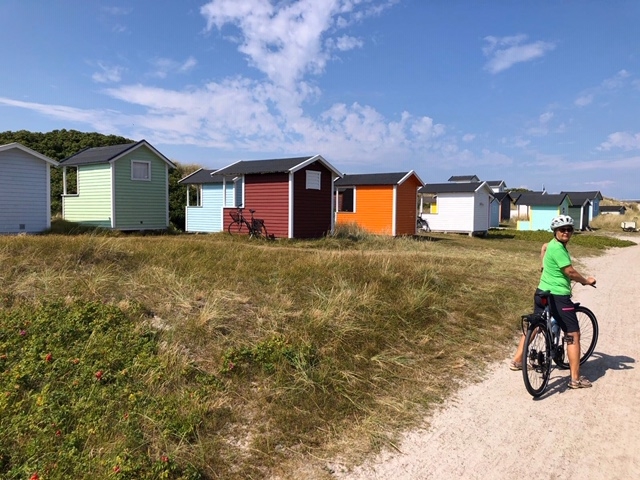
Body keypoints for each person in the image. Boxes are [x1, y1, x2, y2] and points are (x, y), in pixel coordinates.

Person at [510, 215, 596, 389]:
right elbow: (570, 272)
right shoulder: (558, 249)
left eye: (569, 229)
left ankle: (517, 361)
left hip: (542, 292)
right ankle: (575, 379)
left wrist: (542, 265)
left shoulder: (551, 245)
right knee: (572, 334)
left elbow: (543, 247)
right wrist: (586, 281)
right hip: (558, 297)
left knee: (536, 323)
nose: (566, 232)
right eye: (562, 229)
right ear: (555, 231)